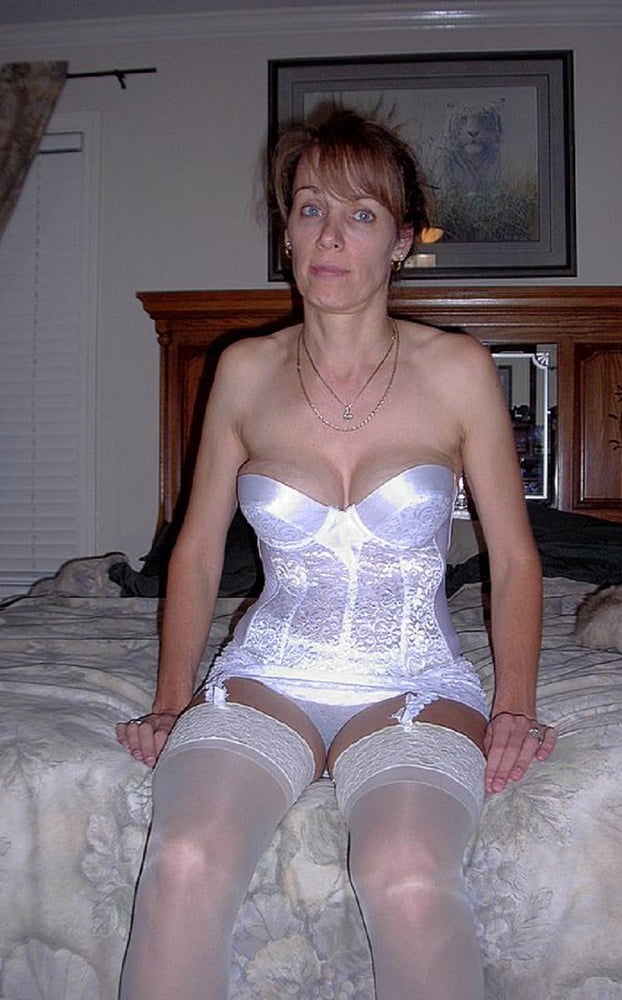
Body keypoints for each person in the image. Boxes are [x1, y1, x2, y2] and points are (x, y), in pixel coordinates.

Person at [116, 107, 556, 1000]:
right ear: (285, 233)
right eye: (311, 208)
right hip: (267, 674)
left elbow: (513, 561)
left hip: (413, 682)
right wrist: (170, 698)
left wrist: (514, 705)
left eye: (361, 214)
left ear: (401, 242)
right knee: (186, 859)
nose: (330, 235)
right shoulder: (243, 370)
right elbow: (195, 554)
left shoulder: (458, 370)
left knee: (407, 876)